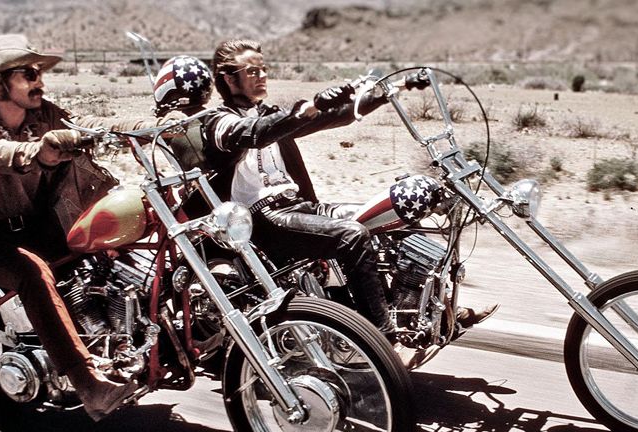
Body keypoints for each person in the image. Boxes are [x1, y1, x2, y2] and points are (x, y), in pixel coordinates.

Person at [0, 34, 182, 420]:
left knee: (113, 240)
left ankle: (145, 336)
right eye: (28, 73)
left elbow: (90, 124)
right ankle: (87, 383)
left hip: (42, 223)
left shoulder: (42, 115)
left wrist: (153, 125)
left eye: (38, 72)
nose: (38, 80)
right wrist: (34, 151)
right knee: (33, 273)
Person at [172, 39, 497, 354]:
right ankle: (378, 341)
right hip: (263, 219)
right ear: (229, 79)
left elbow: (334, 115)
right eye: (252, 71)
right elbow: (255, 134)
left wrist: (386, 93)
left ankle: (425, 312)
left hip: (299, 206)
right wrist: (309, 107)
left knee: (393, 217)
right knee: (352, 236)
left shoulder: (267, 112)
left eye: (264, 69)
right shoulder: (218, 121)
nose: (262, 76)